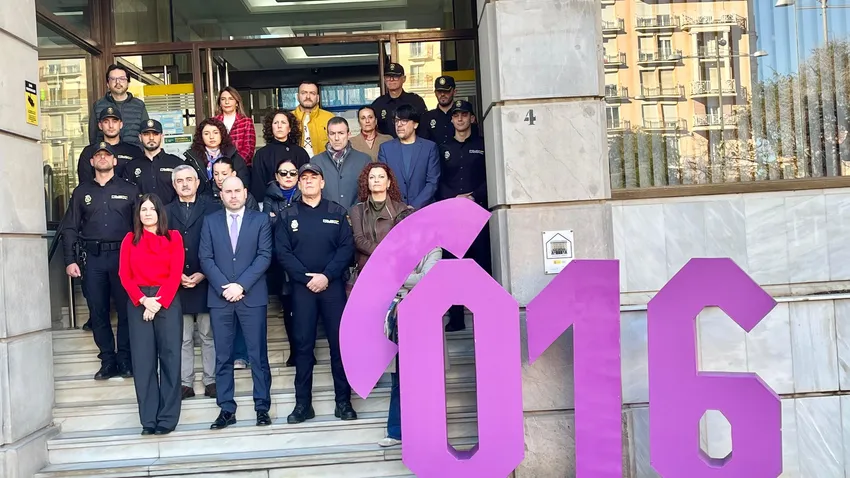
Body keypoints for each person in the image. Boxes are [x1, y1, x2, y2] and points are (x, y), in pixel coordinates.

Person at [274, 163, 357, 424]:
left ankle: (344, 402)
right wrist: (305, 278)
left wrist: (326, 276)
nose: (309, 181)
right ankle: (303, 405)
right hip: (302, 290)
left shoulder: (337, 212)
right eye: (304, 178)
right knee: (303, 346)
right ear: (299, 184)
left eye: (314, 177)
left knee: (339, 345)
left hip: (332, 287)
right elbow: (282, 252)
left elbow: (346, 248)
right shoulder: (288, 214)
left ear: (322, 182)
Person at [199, 176, 273, 430]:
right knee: (223, 356)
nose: (232, 195)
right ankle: (226, 409)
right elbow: (205, 258)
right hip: (220, 299)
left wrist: (240, 285)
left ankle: (262, 407)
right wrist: (225, 287)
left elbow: (264, 256)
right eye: (227, 191)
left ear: (245, 192)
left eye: (237, 191)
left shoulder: (260, 220)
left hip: (251, 296)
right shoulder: (210, 221)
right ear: (221, 195)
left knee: (258, 355)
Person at [62, 142, 139, 380]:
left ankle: (124, 359)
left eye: (107, 155)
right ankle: (107, 360)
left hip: (123, 258)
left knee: (126, 310)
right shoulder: (81, 192)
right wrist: (70, 260)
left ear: (115, 161)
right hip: (93, 259)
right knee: (98, 311)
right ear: (92, 162)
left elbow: (140, 228)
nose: (103, 158)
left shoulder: (130, 190)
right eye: (99, 155)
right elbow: (70, 228)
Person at [118, 193, 185, 436]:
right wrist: (144, 300)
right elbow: (124, 275)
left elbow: (175, 273)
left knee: (170, 359)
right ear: (138, 214)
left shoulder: (173, 237)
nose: (147, 213)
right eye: (143, 209)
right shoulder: (129, 239)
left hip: (167, 299)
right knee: (143, 362)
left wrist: (158, 302)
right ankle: (148, 419)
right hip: (139, 301)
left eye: (151, 209)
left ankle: (167, 418)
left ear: (159, 212)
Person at [376, 208, 442, 447]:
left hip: (425, 317)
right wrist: (409, 278)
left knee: (426, 375)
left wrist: (401, 277)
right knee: (400, 377)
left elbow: (428, 279)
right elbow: (384, 279)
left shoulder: (433, 249)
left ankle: (427, 430)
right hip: (399, 316)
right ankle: (396, 432)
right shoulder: (394, 250)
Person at [166, 165, 221, 400]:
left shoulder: (213, 208)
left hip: (206, 280)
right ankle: (185, 383)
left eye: (189, 179)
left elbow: (220, 245)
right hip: (176, 282)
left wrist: (204, 273)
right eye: (180, 181)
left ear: (198, 183)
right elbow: (160, 248)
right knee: (183, 336)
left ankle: (211, 381)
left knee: (208, 334)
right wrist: (175, 274)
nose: (185, 184)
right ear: (174, 185)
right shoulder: (165, 212)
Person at [439, 100, 491, 332]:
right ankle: (457, 318)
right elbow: (438, 179)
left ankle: (485, 316)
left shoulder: (483, 145)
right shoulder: (443, 147)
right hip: (452, 216)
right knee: (453, 267)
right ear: (451, 119)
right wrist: (454, 198)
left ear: (472, 118)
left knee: (481, 266)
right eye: (456, 115)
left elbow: (492, 175)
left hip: (477, 213)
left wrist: (474, 196)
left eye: (464, 115)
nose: (460, 119)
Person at [263, 158, 302, 367]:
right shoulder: (269, 197)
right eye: (283, 173)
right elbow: (267, 226)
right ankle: (295, 351)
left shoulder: (305, 193)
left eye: (292, 173)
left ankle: (305, 351)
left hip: (304, 257)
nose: (288, 177)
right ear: (276, 176)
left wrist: (278, 218)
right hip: (280, 261)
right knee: (288, 308)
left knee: (304, 309)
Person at [349, 162, 410, 272]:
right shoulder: (357, 210)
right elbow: (359, 240)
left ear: (388, 183)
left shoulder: (401, 208)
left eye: (381, 177)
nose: (376, 180)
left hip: (395, 266)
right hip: (367, 268)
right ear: (367, 182)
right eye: (372, 177)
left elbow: (405, 239)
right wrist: (383, 252)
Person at [377, 105, 441, 208]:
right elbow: (382, 180)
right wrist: (399, 207)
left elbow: (432, 183)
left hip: (424, 208)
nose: (399, 125)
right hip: (395, 209)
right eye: (396, 121)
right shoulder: (385, 148)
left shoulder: (429, 148)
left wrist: (414, 206)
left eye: (404, 121)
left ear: (415, 124)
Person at [309, 117, 371, 210]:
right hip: (325, 215)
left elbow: (368, 192)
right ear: (327, 136)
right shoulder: (315, 161)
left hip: (357, 215)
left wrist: (354, 212)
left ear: (349, 134)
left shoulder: (364, 160)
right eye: (332, 134)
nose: (336, 138)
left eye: (341, 133)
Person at [251, 108, 310, 203]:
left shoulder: (300, 153)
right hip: (270, 204)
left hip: (299, 203)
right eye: (276, 123)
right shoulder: (261, 154)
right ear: (271, 127)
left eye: (283, 122)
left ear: (290, 128)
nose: (279, 126)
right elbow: (258, 186)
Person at [183, 118, 250, 196]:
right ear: (201, 136)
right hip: (201, 201)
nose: (211, 137)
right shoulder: (192, 158)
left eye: (215, 133)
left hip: (228, 199)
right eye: (206, 134)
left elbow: (243, 182)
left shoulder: (233, 156)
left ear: (222, 134)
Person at [123, 119, 185, 205]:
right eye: (146, 134)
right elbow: (128, 196)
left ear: (162, 136)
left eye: (155, 134)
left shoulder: (177, 163)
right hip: (143, 213)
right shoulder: (131, 166)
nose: (151, 138)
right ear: (140, 137)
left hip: (172, 213)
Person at [89, 64, 149, 148]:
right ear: (107, 84)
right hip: (107, 153)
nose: (118, 82)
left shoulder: (139, 105)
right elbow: (93, 137)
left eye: (122, 78)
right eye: (113, 79)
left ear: (128, 83)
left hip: (135, 154)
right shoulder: (98, 105)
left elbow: (146, 133)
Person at [77, 106, 142, 183]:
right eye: (106, 122)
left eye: (114, 121)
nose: (111, 126)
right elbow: (85, 184)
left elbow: (141, 180)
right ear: (100, 125)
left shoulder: (134, 151)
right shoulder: (89, 152)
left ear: (121, 124)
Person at [371, 63, 427, 138]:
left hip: (412, 144)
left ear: (404, 79)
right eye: (388, 77)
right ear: (384, 79)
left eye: (395, 76)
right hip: (387, 145)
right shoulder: (378, 104)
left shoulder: (415, 101)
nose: (391, 80)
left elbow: (424, 127)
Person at [214, 87, 257, 166]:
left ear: (237, 103)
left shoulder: (246, 122)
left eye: (231, 99)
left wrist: (233, 165)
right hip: (217, 166)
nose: (227, 102)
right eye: (223, 99)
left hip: (241, 167)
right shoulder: (213, 122)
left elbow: (249, 150)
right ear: (220, 103)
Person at [292, 81, 335, 157]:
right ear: (297, 96)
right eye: (304, 93)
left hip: (323, 163)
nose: (308, 97)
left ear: (318, 98)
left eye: (312, 93)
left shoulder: (329, 118)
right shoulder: (288, 118)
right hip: (294, 163)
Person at [417, 75, 458, 145]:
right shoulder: (426, 117)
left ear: (454, 92)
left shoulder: (462, 116)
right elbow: (422, 144)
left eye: (446, 91)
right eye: (439, 91)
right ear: (435, 93)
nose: (442, 94)